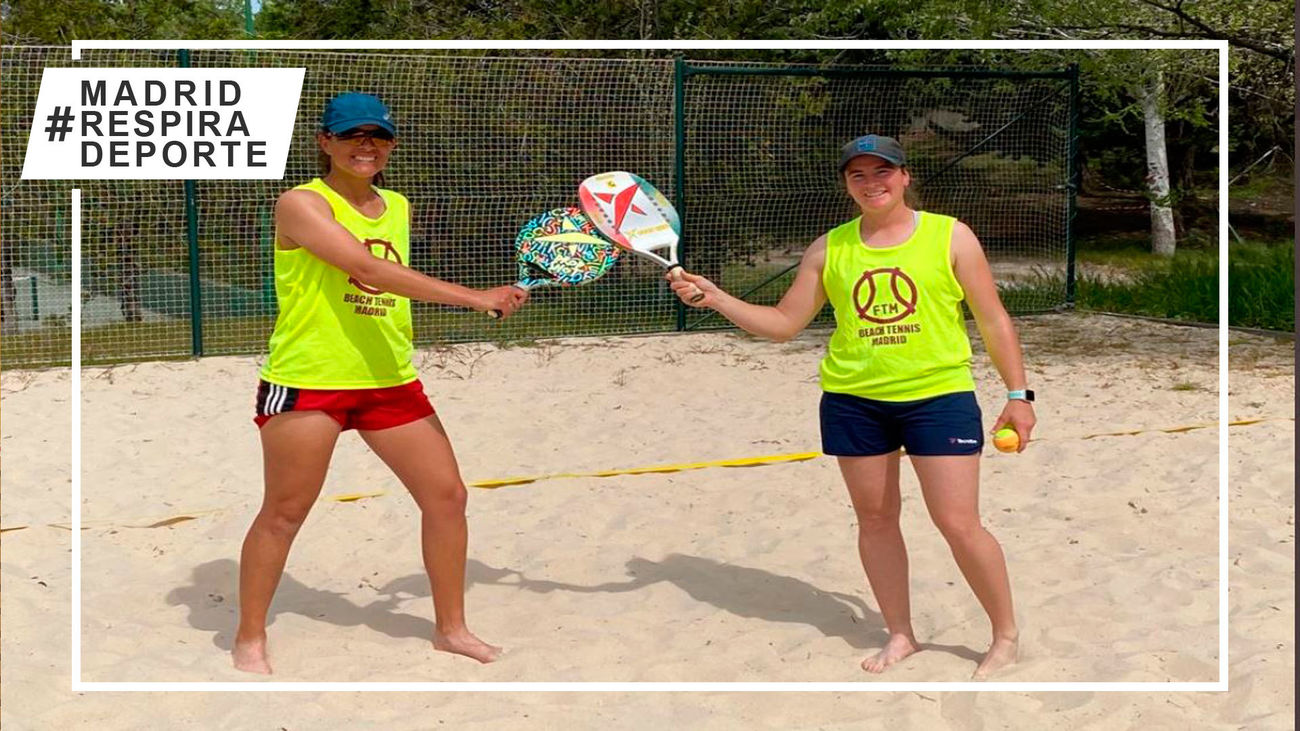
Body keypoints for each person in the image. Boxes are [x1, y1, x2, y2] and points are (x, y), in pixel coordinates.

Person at [668, 134, 1033, 679]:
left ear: (905, 176)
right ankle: (901, 634)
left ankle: (1004, 636)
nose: (871, 183)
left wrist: (1017, 395)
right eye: (857, 175)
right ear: (846, 184)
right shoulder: (829, 248)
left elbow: (993, 318)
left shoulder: (950, 236)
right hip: (854, 401)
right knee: (877, 520)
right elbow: (784, 325)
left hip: (938, 396)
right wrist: (717, 297)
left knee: (957, 522)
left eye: (882, 171)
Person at [232, 92, 526, 674]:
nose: (366, 145)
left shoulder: (396, 204)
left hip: (389, 377)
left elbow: (389, 285)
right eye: (351, 135)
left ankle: (451, 629)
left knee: (448, 497)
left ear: (391, 144)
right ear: (325, 143)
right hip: (309, 380)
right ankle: (248, 636)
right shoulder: (299, 203)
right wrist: (474, 297)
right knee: (286, 511)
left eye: (378, 135)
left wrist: (487, 298)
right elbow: (366, 270)